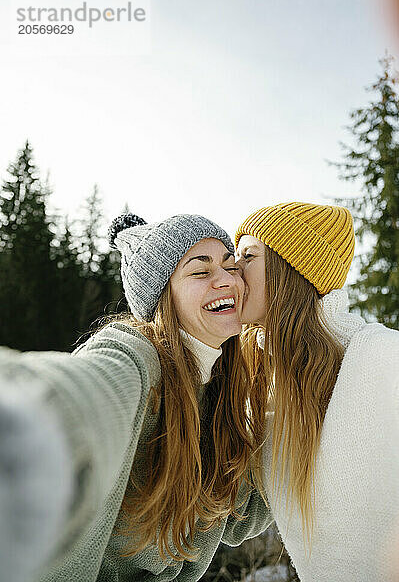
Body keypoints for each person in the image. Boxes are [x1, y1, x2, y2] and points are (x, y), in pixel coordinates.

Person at [0, 213, 273, 582]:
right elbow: (83, 393)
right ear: (163, 297)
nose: (227, 280)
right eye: (200, 271)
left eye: (230, 265)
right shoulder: (138, 358)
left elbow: (242, 510)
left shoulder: (218, 391)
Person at [235, 202, 399, 582]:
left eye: (248, 255)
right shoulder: (264, 386)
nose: (232, 268)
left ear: (290, 268)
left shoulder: (382, 358)